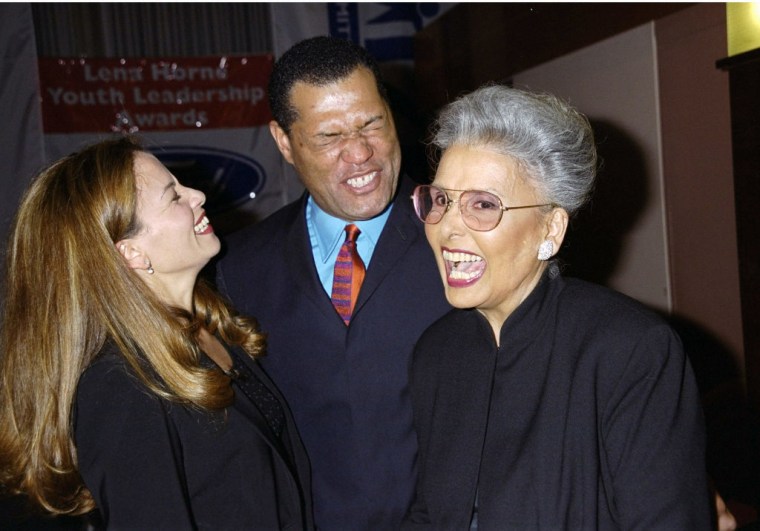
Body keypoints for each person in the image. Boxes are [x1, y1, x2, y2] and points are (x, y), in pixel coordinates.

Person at [403, 84, 713, 528]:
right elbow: (429, 514)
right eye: (442, 200)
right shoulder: (435, 353)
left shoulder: (630, 351)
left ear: (550, 228)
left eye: (483, 205)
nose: (447, 228)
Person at [0, 136, 313, 530]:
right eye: (173, 196)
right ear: (130, 252)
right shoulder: (120, 386)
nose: (197, 195)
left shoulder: (208, 327)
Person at [215, 36, 450, 529]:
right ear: (284, 142)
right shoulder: (238, 269)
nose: (360, 153)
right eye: (329, 137)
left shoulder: (460, 239)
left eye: (372, 124)